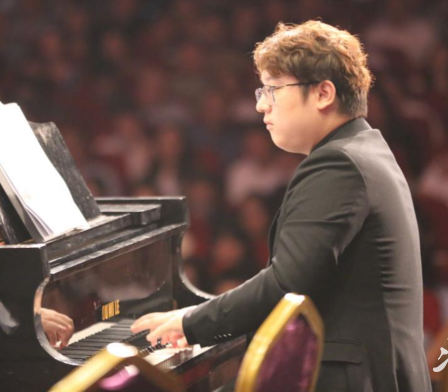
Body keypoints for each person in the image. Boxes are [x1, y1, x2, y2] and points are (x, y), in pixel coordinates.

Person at [131, 20, 431, 392]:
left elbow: (286, 285)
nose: (260, 105)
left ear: (323, 93)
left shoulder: (339, 164)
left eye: (272, 89)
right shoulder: (363, 151)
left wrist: (190, 323)